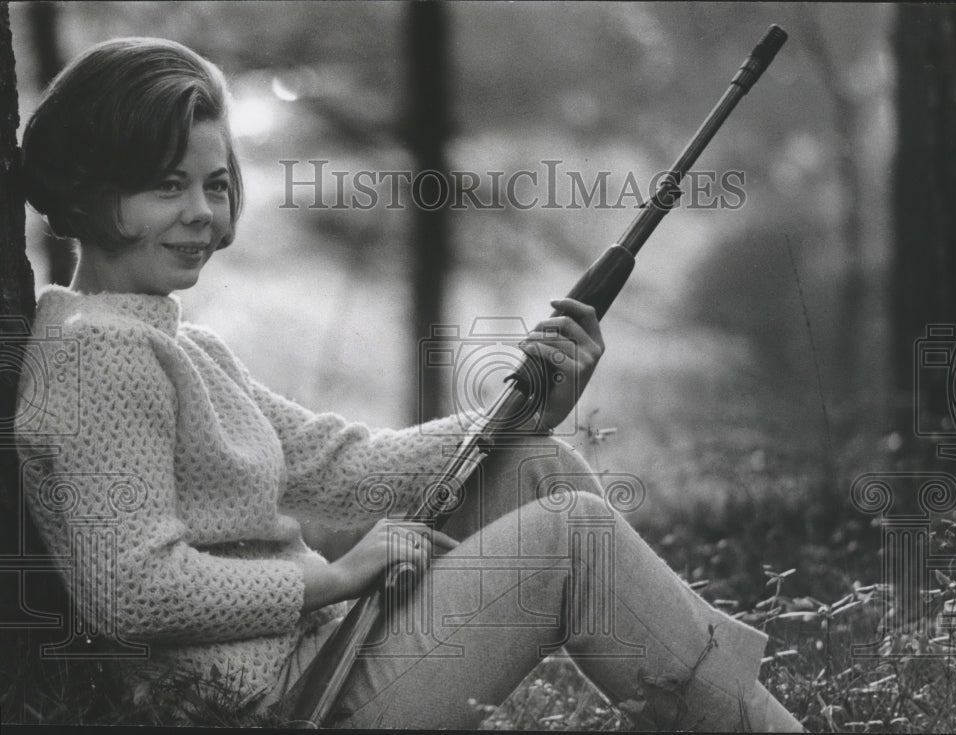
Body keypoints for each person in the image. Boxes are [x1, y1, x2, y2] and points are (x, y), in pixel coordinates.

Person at [15, 37, 802, 731]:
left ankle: (731, 707)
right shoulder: (103, 354)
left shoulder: (176, 342)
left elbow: (346, 463)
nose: (200, 213)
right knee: (572, 538)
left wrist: (527, 406)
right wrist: (329, 578)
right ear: (88, 192)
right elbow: (133, 590)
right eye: (166, 185)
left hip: (315, 661)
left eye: (215, 185)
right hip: (278, 706)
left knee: (536, 467)